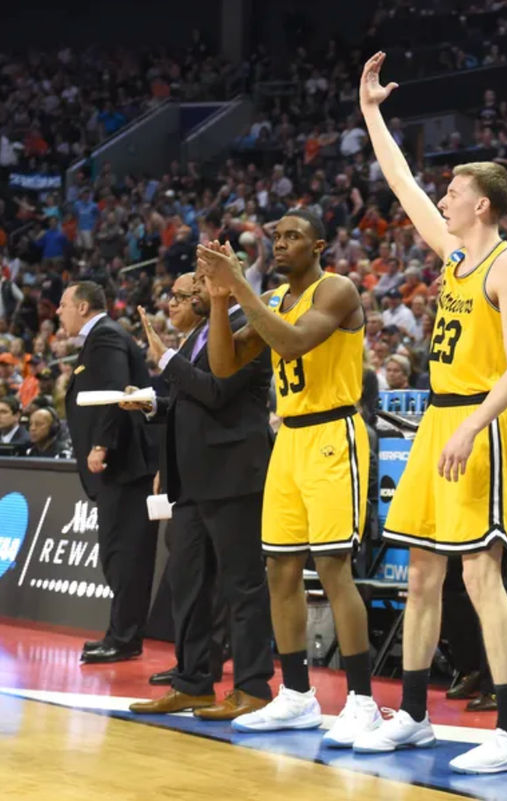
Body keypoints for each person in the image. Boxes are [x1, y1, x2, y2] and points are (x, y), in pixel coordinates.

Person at [355, 52, 507, 773]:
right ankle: (414, 714)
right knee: (422, 576)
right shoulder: (454, 254)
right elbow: (400, 182)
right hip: (440, 418)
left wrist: (469, 425)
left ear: (482, 204)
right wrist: (371, 113)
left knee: (481, 577)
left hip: (480, 425)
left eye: (454, 192)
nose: (444, 198)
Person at [196, 207, 376, 745]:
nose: (280, 243)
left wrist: (240, 288)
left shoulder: (336, 289)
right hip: (289, 438)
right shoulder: (272, 300)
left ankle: (363, 701)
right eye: (276, 236)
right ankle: (297, 694)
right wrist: (219, 300)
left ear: (318, 246)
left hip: (333, 433)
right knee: (280, 569)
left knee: (334, 568)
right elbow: (224, 365)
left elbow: (295, 342)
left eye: (293, 236)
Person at [122, 272, 276, 721]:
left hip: (232, 478)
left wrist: (165, 357)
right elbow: (189, 401)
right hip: (190, 482)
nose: (178, 300)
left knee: (241, 586)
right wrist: (154, 405)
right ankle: (192, 683)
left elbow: (216, 392)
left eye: (187, 290)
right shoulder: (200, 334)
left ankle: (252, 687)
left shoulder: (249, 325)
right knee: (188, 586)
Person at [59, 281, 158, 664]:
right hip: (122, 468)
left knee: (125, 554)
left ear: (83, 307)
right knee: (118, 554)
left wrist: (102, 444)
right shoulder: (101, 338)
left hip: (125, 465)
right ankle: (120, 634)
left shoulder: (105, 336)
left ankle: (125, 638)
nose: (59, 312)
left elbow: (118, 391)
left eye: (64, 304)